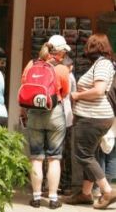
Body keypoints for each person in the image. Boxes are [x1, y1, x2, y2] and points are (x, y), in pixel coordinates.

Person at [65, 33, 116, 209]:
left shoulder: (102, 64)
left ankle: (107, 191)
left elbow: (99, 90)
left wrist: (77, 95)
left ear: (93, 46)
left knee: (83, 155)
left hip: (93, 117)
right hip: (96, 117)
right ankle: (85, 194)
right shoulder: (102, 63)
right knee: (90, 154)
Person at [21, 35, 70, 209]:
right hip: (54, 113)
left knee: (36, 157)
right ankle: (53, 198)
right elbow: (64, 92)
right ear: (59, 52)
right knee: (54, 158)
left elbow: (25, 86)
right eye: (64, 51)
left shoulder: (31, 64)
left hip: (34, 113)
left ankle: (35, 197)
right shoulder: (62, 69)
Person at [59, 55, 77, 195]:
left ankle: (48, 184)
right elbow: (73, 97)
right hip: (68, 117)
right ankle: (67, 185)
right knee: (66, 152)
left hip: (56, 116)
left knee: (53, 151)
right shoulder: (71, 77)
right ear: (71, 66)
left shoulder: (56, 72)